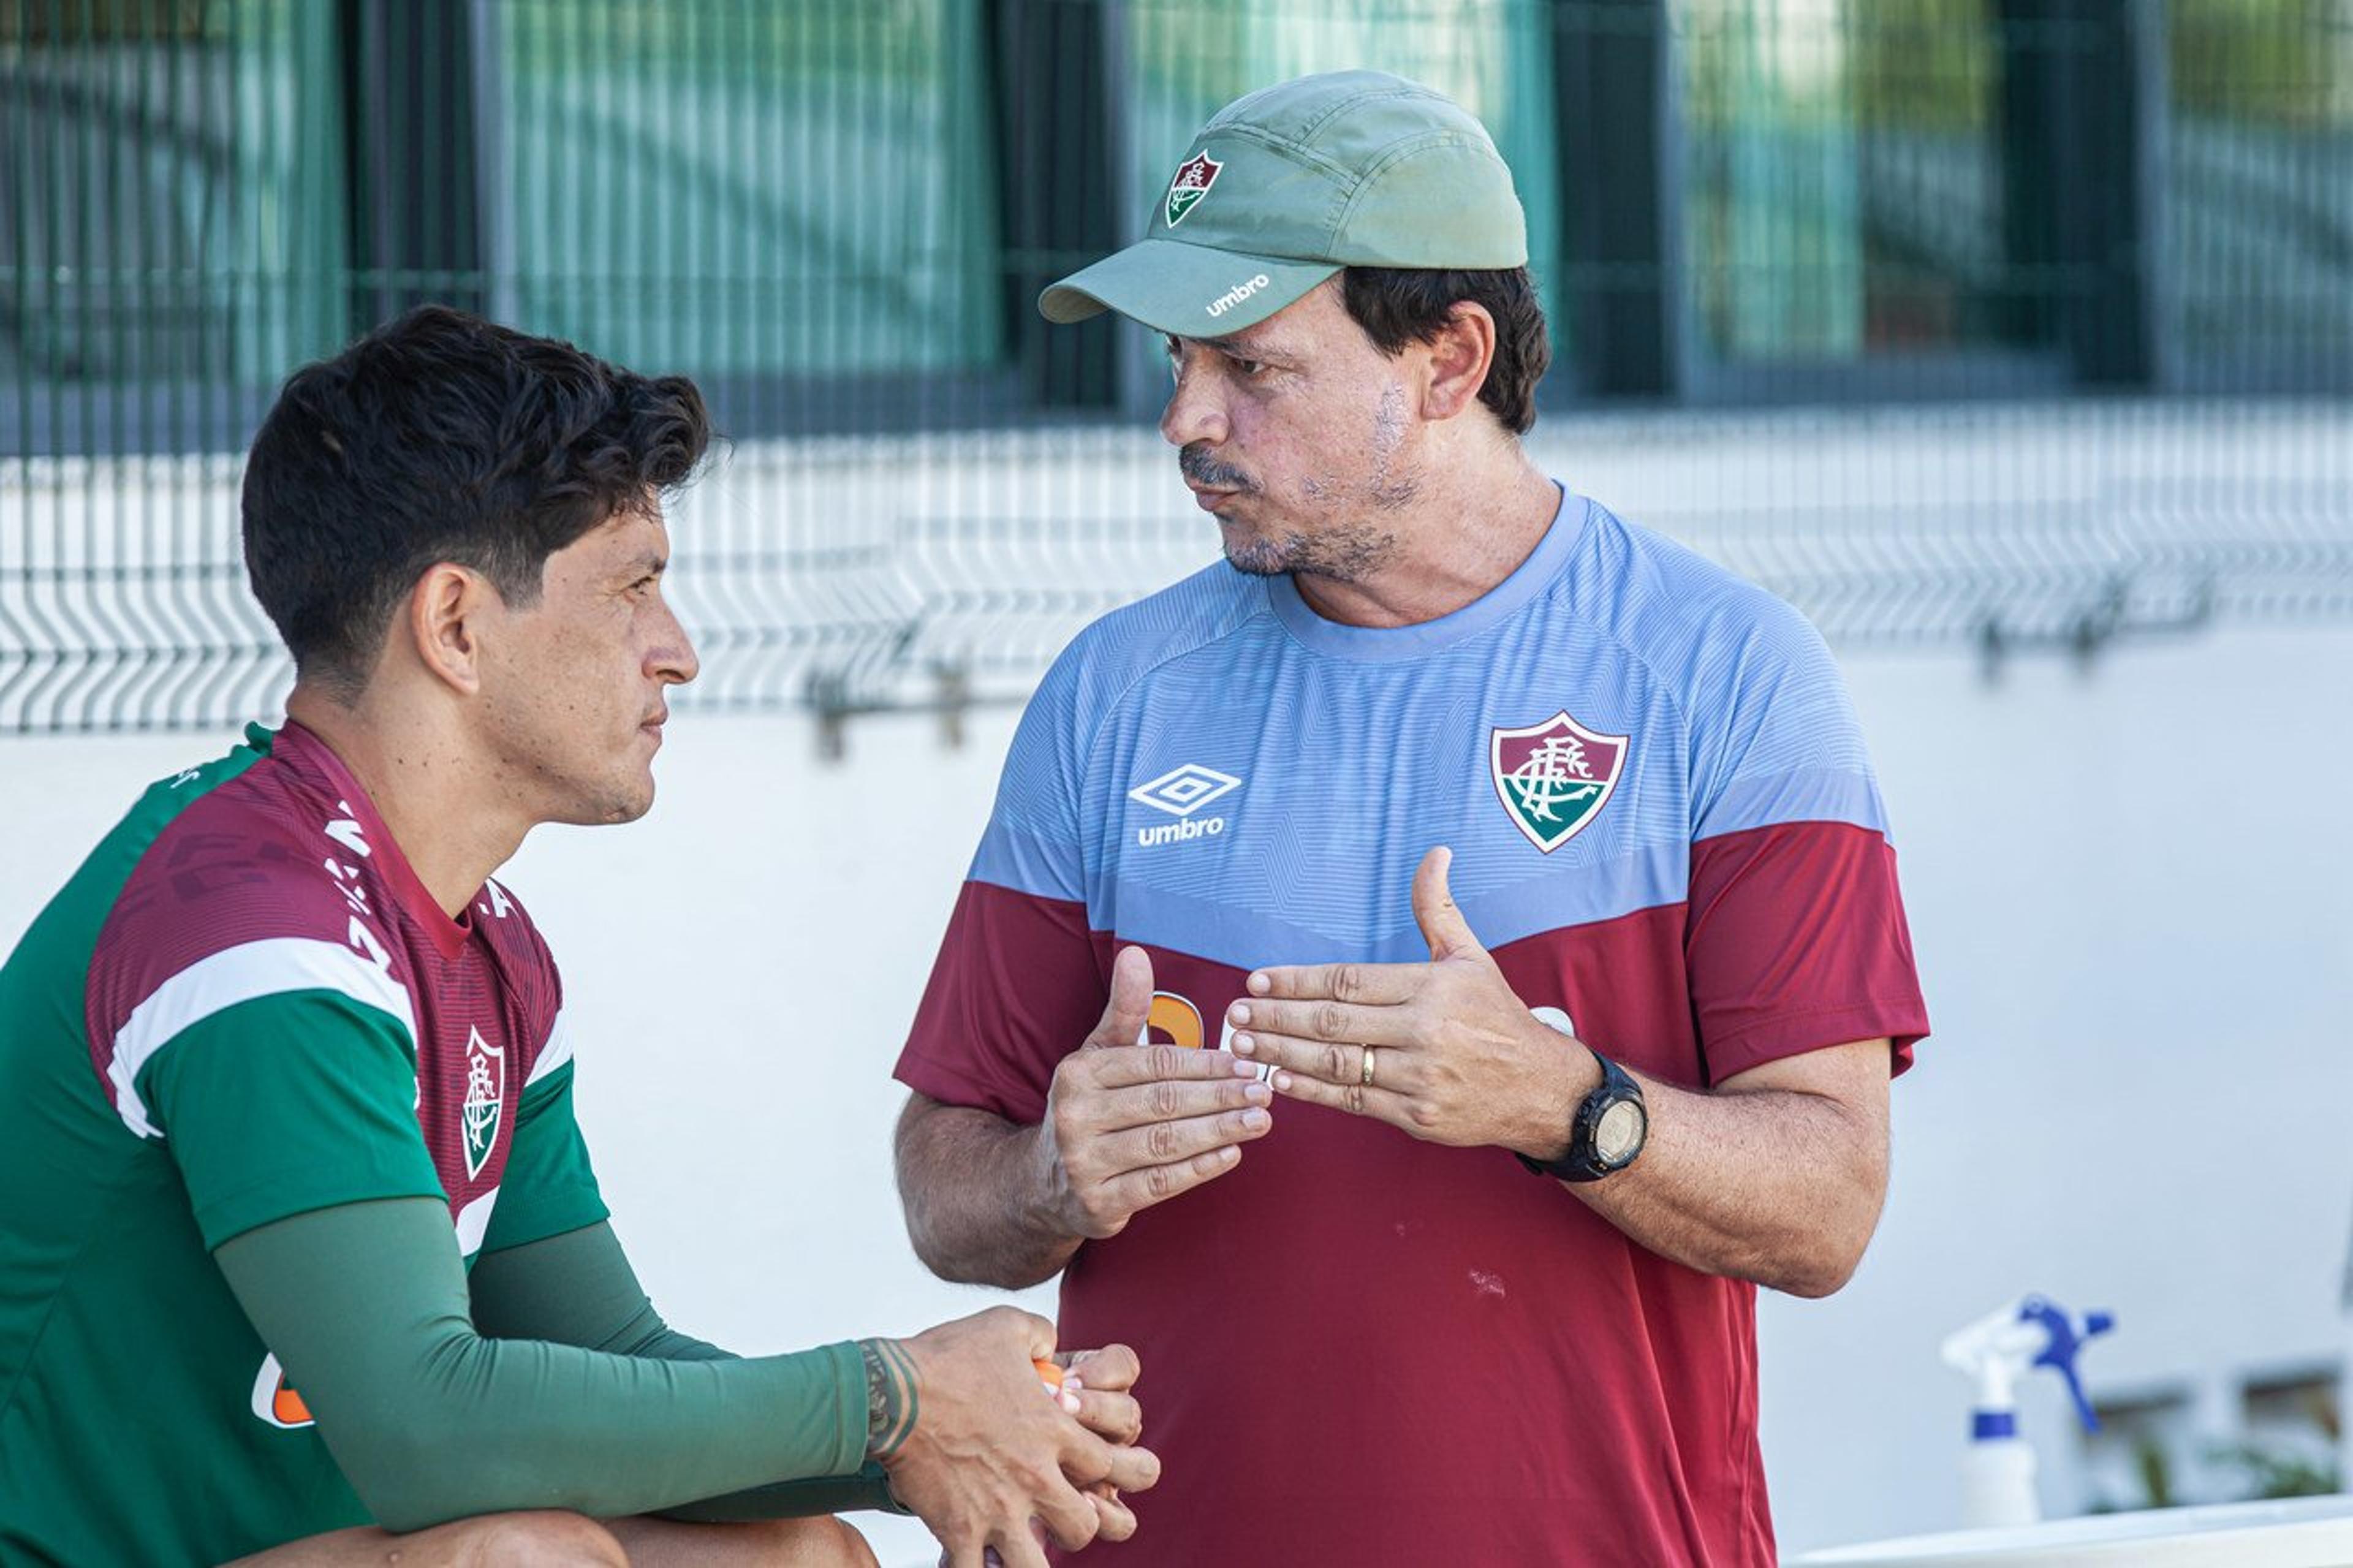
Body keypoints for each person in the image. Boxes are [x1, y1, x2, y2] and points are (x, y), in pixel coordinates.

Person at [890, 70, 1930, 1566]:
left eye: (1252, 366)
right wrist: (1050, 1177)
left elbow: (1829, 1203)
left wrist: (1566, 1103)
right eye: (1181, 362)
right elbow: (943, 1177)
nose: (1186, 418)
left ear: (1449, 358)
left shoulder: (1724, 674)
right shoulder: (1114, 690)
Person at [0, 306, 1157, 1568]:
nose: (680, 651)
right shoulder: (256, 929)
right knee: (520, 1557)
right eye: (634, 585)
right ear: (455, 627)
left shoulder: (477, 938)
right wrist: (897, 1392)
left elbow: (613, 1362)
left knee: (805, 1553)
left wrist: (956, 1429)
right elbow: (427, 1427)